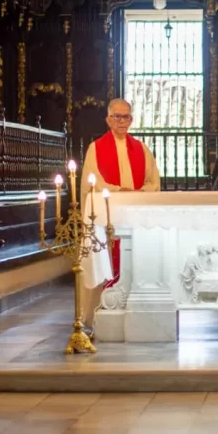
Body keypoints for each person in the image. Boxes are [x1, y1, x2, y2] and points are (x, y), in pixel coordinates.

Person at [80, 99, 161, 332]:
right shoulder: (96, 148)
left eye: (126, 117)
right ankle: (95, 316)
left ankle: (134, 312)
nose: (122, 121)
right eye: (117, 117)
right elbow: (92, 182)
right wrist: (119, 191)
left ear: (132, 120)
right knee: (104, 258)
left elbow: (153, 182)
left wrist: (137, 193)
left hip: (134, 215)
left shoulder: (141, 149)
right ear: (108, 120)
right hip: (107, 215)